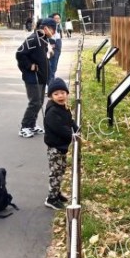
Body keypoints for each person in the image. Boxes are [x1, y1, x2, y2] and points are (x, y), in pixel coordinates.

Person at [15, 17, 57, 138]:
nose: (54, 32)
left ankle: (32, 124)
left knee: (40, 102)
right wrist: (29, 66)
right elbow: (20, 53)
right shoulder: (33, 39)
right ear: (45, 28)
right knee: (35, 102)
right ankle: (24, 127)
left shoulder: (43, 39)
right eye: (53, 29)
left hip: (42, 76)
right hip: (32, 77)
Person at [43, 78, 79, 210]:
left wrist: (76, 127)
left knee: (61, 170)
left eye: (63, 93)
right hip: (55, 148)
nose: (60, 96)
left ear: (67, 94)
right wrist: (71, 135)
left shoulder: (63, 107)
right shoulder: (52, 112)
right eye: (56, 94)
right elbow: (59, 128)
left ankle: (57, 193)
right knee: (56, 173)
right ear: (51, 96)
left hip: (61, 147)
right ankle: (51, 198)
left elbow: (69, 119)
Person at [47, 13, 64, 84]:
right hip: (52, 49)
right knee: (51, 68)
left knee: (53, 68)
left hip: (57, 49)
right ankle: (51, 85)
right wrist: (50, 45)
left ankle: (50, 84)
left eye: (58, 18)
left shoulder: (58, 27)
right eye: (55, 18)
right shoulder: (50, 27)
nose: (57, 20)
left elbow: (60, 37)